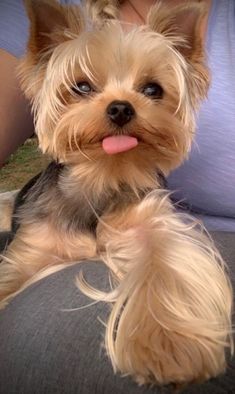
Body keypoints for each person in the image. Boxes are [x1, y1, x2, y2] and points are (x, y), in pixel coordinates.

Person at [0, 1, 234, 393]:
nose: (121, 105)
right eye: (84, 87)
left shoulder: (150, 216)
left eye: (151, 89)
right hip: (50, 206)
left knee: (51, 340)